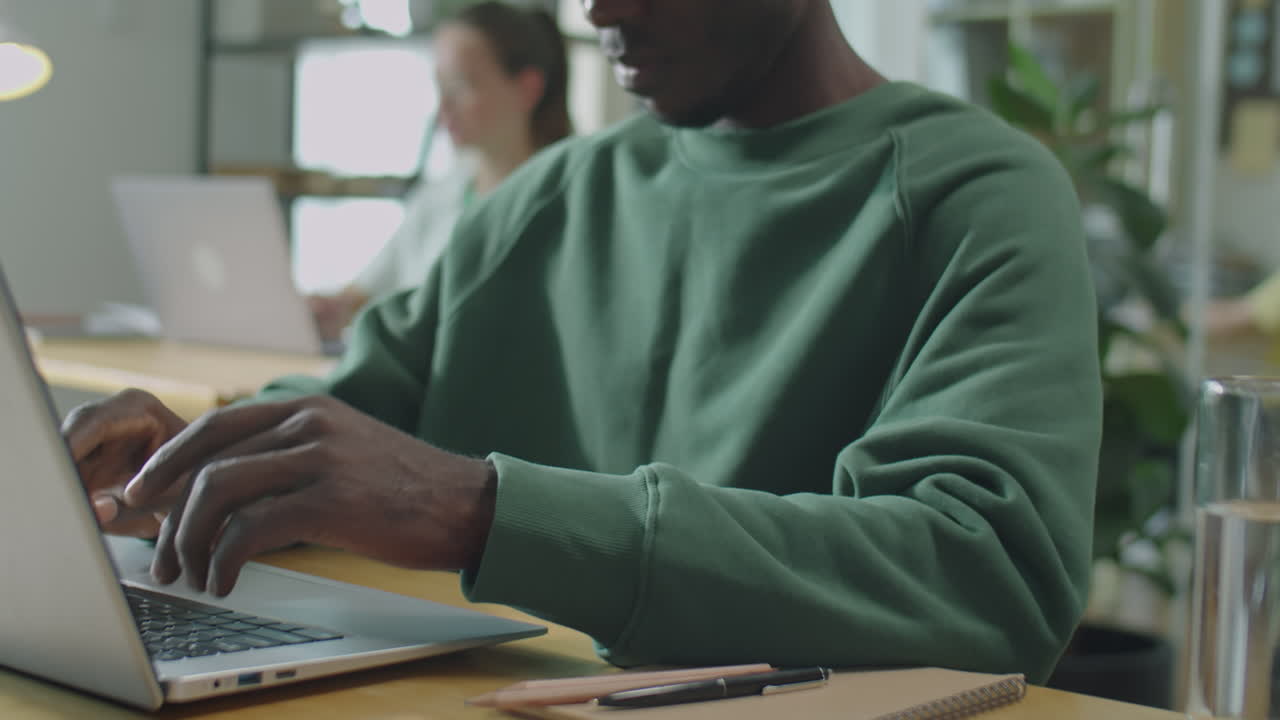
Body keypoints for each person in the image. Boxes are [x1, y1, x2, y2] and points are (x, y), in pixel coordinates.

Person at [64, 0, 1102, 684]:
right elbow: (377, 406)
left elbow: (987, 580)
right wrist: (197, 453)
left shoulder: (976, 198)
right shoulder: (558, 194)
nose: (598, 8)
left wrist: (481, 513)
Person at [307, 1, 573, 341]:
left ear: (528, 88)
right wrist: (330, 311)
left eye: (462, 86)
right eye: (440, 86)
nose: (444, 107)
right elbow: (363, 295)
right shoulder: (442, 193)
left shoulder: (567, 200)